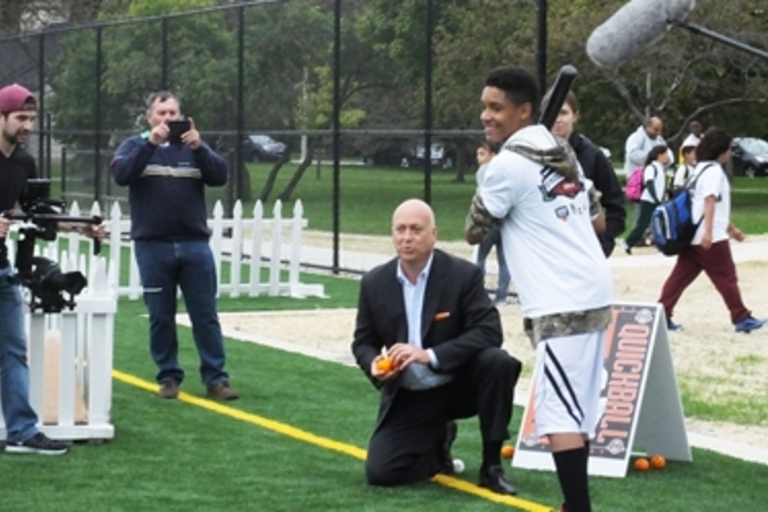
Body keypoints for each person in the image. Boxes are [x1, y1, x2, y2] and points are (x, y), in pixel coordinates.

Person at [466, 66, 613, 512]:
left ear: (524, 111)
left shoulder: (506, 166)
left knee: (558, 413)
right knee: (577, 408)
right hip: (593, 292)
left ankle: (578, 508)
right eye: (484, 107)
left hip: (560, 300)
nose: (486, 116)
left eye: (496, 108)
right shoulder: (563, 150)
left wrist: (487, 174)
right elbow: (598, 219)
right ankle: (574, 504)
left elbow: (474, 230)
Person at [352, 198, 522, 496]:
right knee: (382, 473)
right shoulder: (374, 282)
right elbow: (363, 342)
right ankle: (437, 444)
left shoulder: (462, 275)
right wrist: (374, 365)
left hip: (459, 383)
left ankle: (491, 465)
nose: (407, 237)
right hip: (411, 393)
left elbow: (489, 331)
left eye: (416, 229)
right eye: (400, 229)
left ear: (434, 235)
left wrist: (428, 355)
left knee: (497, 362)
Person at [111, 91, 238, 401]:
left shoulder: (193, 148)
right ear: (149, 117)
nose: (167, 119)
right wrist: (151, 145)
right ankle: (168, 377)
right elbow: (122, 175)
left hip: (194, 244)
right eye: (161, 113)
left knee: (205, 314)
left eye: (173, 113)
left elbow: (220, 176)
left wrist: (200, 147)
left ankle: (216, 379)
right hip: (153, 246)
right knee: (160, 315)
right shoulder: (134, 146)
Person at [0, 83, 103, 454]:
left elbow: (37, 214)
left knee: (13, 352)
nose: (27, 126)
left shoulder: (24, 163)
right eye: (20, 118)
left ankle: (22, 431)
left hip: (1, 271)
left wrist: (81, 227)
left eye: (31, 118)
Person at [658, 127, 765, 333]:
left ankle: (662, 313)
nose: (730, 153)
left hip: (693, 235)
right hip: (711, 236)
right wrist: (709, 232)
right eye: (728, 149)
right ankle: (741, 316)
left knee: (679, 278)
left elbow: (708, 205)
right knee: (726, 277)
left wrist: (732, 229)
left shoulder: (699, 169)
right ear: (720, 151)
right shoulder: (714, 172)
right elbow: (710, 201)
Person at [550, 91, 626, 256]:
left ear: (575, 116)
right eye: (552, 112)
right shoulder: (530, 155)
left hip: (583, 249)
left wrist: (604, 242)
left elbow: (616, 206)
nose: (557, 119)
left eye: (563, 112)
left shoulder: (592, 156)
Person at [474, 141, 512, 302]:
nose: (478, 158)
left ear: (493, 155)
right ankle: (502, 295)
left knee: (480, 257)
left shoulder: (485, 170)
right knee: (504, 261)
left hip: (489, 221)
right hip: (504, 222)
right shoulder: (506, 171)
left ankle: (478, 293)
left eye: (482, 154)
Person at [622, 145, 670, 254]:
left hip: (656, 201)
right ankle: (628, 242)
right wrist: (656, 198)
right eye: (665, 154)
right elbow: (649, 184)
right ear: (659, 155)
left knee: (659, 223)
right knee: (643, 225)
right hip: (649, 201)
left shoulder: (660, 168)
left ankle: (661, 245)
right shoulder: (651, 168)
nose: (667, 157)